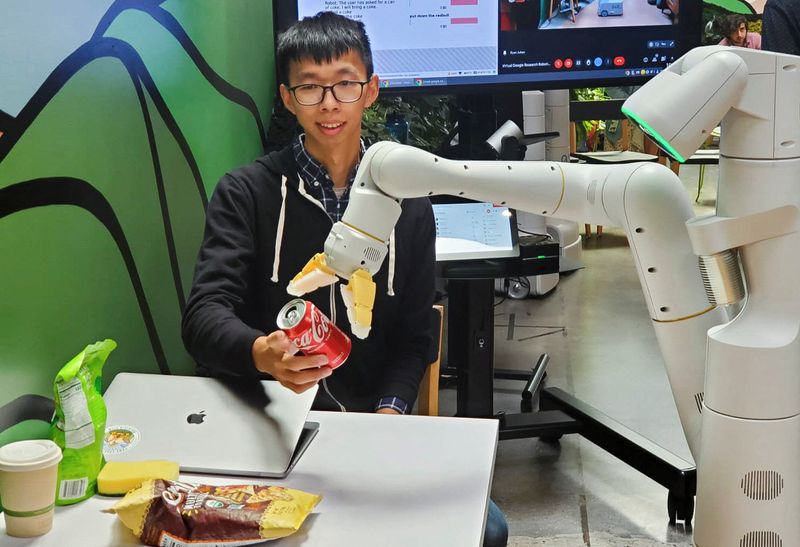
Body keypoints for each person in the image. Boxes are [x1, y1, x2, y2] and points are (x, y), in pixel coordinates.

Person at [181, 11, 508, 546]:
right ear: (288, 98)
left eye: (345, 85)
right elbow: (203, 316)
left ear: (371, 90)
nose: (329, 104)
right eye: (310, 88)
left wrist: (388, 413)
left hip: (365, 422)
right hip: (265, 421)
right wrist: (263, 352)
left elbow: (416, 335)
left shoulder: (409, 206)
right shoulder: (246, 193)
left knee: (487, 528)